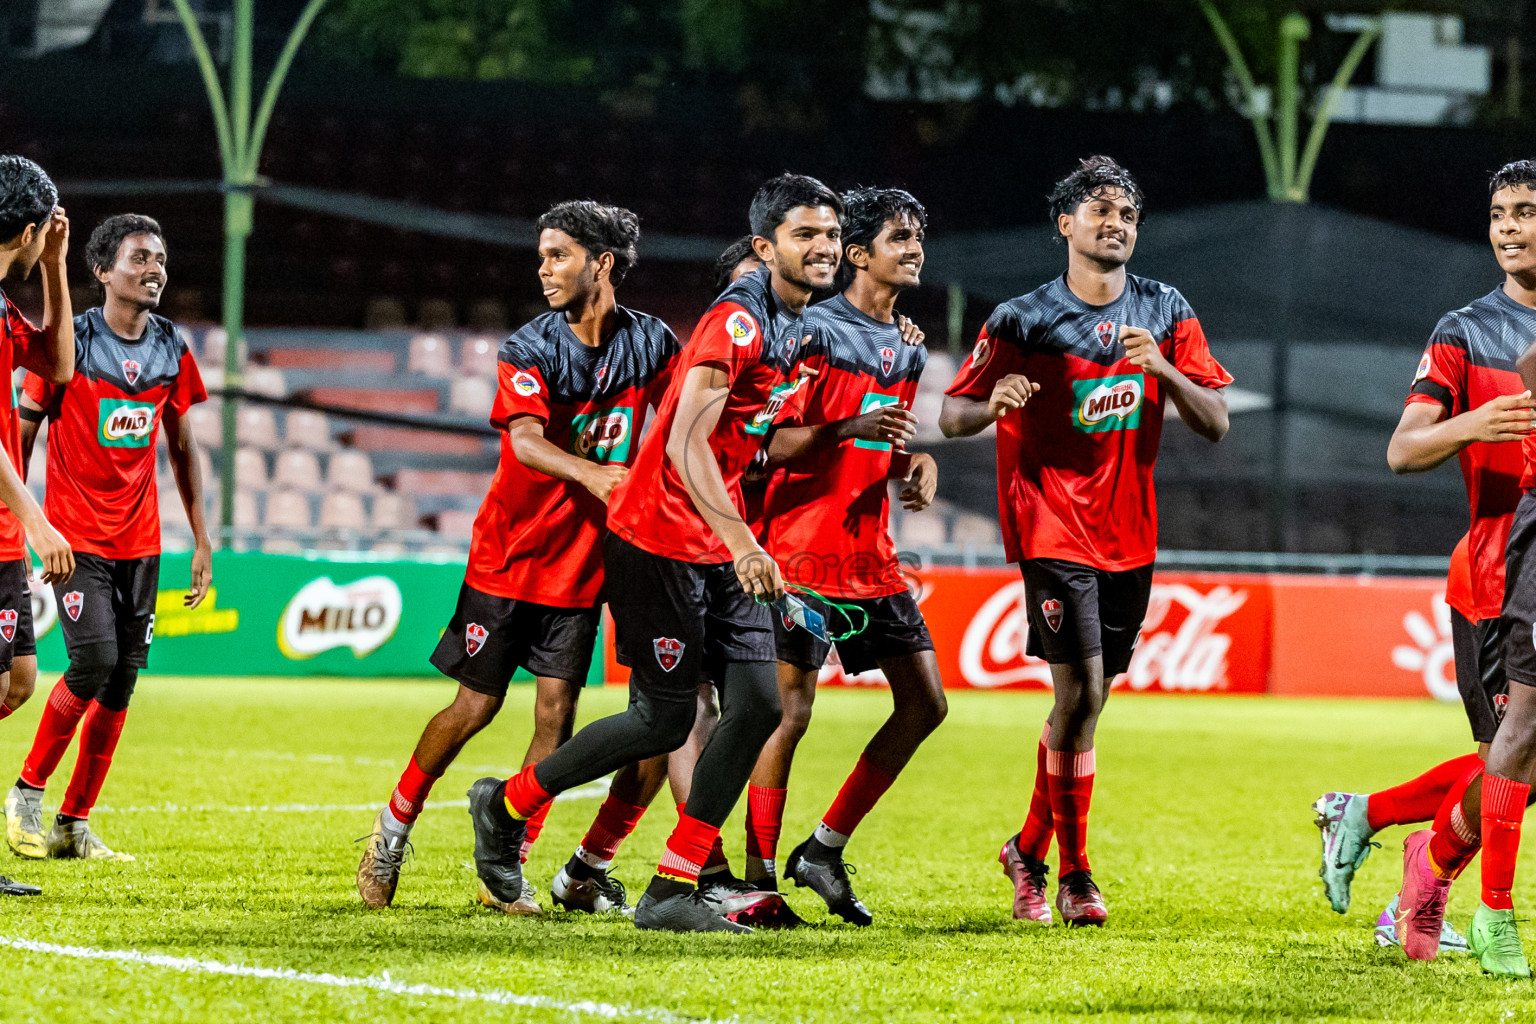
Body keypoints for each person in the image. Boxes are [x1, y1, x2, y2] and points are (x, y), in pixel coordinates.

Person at [467, 173, 841, 933]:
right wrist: (742, 541)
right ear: (767, 248)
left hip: (717, 538)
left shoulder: (804, 333)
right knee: (664, 720)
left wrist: (849, 433)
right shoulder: (737, 321)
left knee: (759, 704)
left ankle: (675, 886)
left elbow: (752, 445)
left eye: (832, 235)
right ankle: (504, 804)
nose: (824, 248)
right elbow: (683, 440)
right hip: (658, 537)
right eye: (806, 235)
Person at [354, 201, 680, 913]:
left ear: (602, 263)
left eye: (558, 255)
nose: (543, 268)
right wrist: (597, 475)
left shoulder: (653, 343)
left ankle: (505, 865)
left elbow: (684, 418)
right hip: (511, 555)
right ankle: (391, 831)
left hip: (585, 566)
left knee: (555, 719)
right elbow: (526, 443)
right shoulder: (530, 347)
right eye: (541, 255)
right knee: (475, 705)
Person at [939, 155, 1231, 926]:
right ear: (1064, 224)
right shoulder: (1023, 318)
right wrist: (993, 400)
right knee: (1082, 693)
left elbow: (1216, 422)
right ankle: (1074, 875)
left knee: (1087, 707)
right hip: (1050, 523)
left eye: (1128, 212)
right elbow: (952, 415)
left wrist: (1163, 368)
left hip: (1129, 536)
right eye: (1100, 210)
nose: (1116, 222)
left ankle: (1025, 851)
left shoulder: (1165, 310)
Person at [736, 186, 942, 927]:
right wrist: (848, 424)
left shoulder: (908, 345)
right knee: (787, 715)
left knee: (925, 704)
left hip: (870, 556)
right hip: (799, 550)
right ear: (857, 254)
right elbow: (766, 445)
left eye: (918, 235)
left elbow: (879, 446)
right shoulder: (811, 332)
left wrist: (910, 466)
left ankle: (822, 847)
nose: (915, 247)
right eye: (899, 237)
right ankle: (758, 875)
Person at [5, 214, 208, 863]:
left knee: (121, 680)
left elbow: (181, 445)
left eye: (161, 259)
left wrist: (202, 540)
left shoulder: (171, 347)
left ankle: (74, 823)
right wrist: (28, 526)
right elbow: (22, 437)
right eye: (141, 257)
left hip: (140, 543)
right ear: (101, 271)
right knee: (91, 661)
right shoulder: (69, 344)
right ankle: (28, 794)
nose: (156, 269)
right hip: (74, 537)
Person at [1383, 159, 1536, 976]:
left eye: (1527, 212)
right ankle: (1432, 866)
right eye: (1500, 214)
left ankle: (1416, 854)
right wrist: (1476, 421)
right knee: (1518, 758)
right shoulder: (1464, 331)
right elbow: (1403, 449)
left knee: (1517, 762)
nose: (1510, 228)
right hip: (1494, 582)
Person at [1314, 534, 1482, 957]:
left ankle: (1367, 814)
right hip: (1503, 575)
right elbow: (1402, 461)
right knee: (1515, 757)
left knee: (1518, 758)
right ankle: (1413, 907)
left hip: (1508, 571)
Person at [0, 154, 78, 893]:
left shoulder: (2, 304)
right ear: (26, 227)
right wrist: (38, 519)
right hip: (4, 525)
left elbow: (57, 367)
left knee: (19, 679)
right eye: (41, 238)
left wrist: (55, 267)